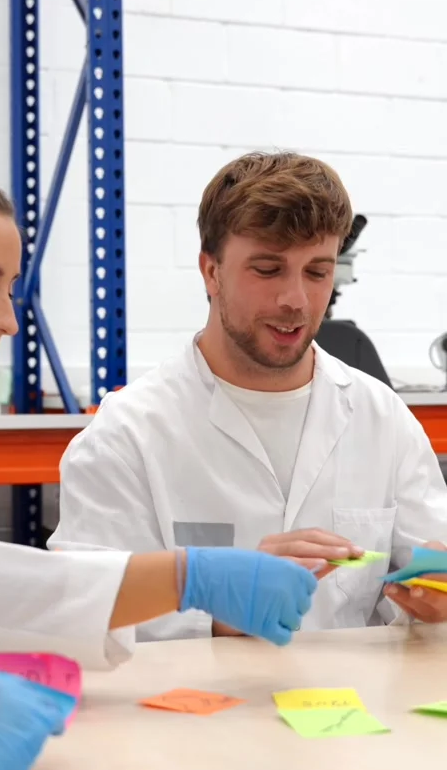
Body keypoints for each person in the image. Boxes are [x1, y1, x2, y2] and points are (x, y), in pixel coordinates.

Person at [0, 175, 318, 770]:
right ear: (210, 272)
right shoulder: (127, 429)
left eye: (8, 288)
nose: (10, 320)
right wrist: (193, 582)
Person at [50, 151, 447, 642]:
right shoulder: (126, 434)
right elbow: (85, 613)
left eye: (317, 272)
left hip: (355, 692)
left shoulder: (382, 419)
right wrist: (221, 614)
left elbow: (429, 576)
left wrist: (433, 602)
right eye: (267, 269)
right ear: (211, 272)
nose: (295, 300)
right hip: (197, 694)